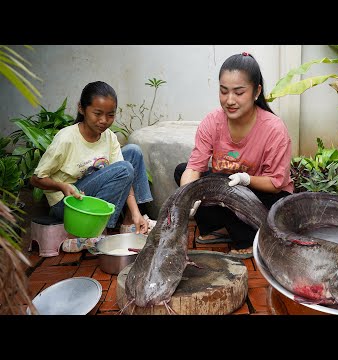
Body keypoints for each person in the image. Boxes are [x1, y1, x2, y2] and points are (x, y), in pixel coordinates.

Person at [174, 52, 294, 259]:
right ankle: (225, 228)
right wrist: (187, 197)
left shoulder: (274, 128)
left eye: (239, 92)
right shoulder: (212, 122)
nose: (229, 100)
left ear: (257, 91)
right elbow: (194, 167)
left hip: (264, 198)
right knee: (183, 173)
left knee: (226, 186)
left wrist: (246, 179)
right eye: (223, 91)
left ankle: (248, 238)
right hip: (227, 191)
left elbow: (276, 183)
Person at [31, 81, 153, 241]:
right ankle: (95, 232)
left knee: (133, 153)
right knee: (124, 168)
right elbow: (35, 179)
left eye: (110, 115)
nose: (104, 120)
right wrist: (61, 186)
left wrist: (136, 212)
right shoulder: (66, 138)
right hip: (68, 205)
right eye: (97, 113)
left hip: (92, 198)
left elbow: (127, 178)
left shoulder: (109, 136)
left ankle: (131, 222)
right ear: (81, 108)